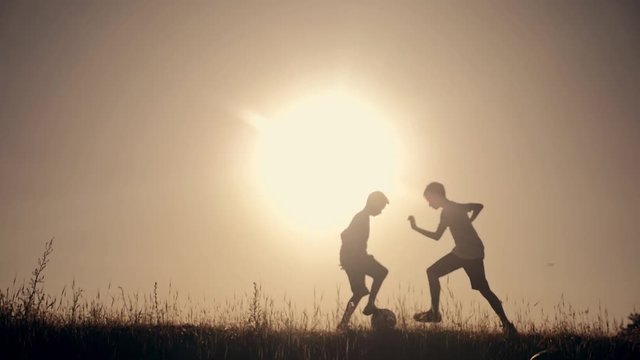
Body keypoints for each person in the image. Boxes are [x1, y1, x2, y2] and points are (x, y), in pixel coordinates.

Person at [407, 182, 517, 336]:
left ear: (437, 196)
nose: (429, 204)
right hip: (471, 252)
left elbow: (437, 236)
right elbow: (478, 206)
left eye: (429, 200)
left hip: (466, 253)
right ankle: (507, 324)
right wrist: (470, 220)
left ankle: (434, 313)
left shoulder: (450, 209)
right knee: (484, 289)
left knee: (432, 272)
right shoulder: (454, 208)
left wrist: (415, 227)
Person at [337, 191, 389, 331]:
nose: (381, 211)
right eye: (381, 207)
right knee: (382, 272)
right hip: (355, 259)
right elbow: (344, 235)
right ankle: (371, 304)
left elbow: (345, 235)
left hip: (353, 258)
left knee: (359, 292)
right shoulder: (361, 218)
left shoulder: (363, 217)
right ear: (374, 203)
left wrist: (348, 257)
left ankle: (343, 324)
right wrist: (353, 256)